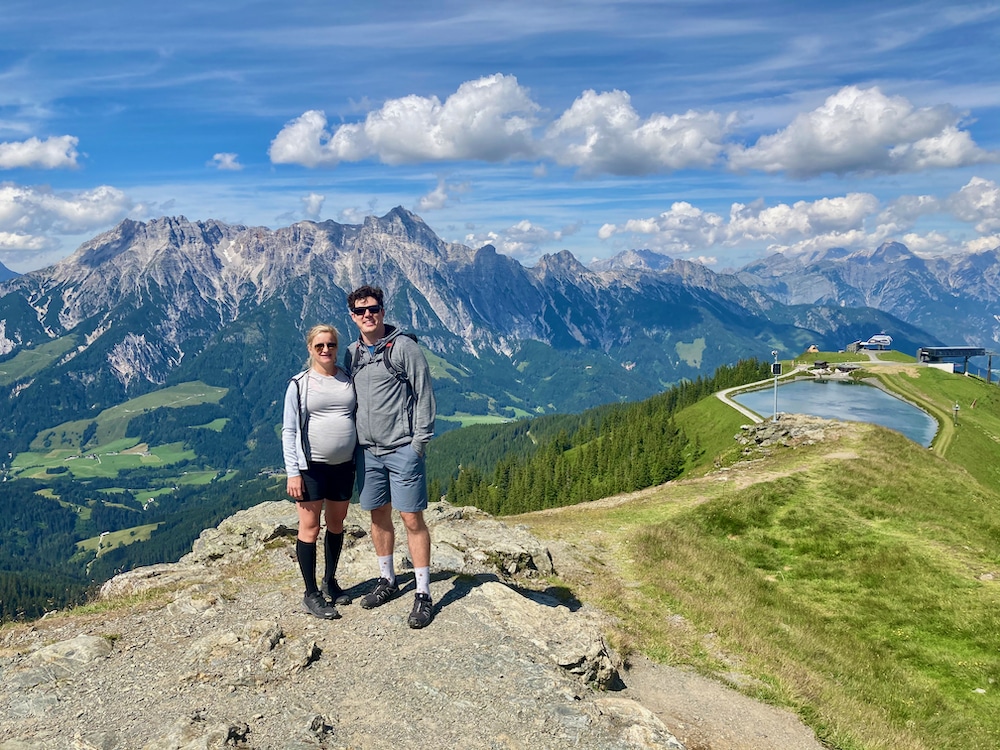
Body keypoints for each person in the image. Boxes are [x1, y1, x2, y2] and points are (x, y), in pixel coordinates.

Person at [345, 285, 437, 629]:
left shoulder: (404, 348)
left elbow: (425, 395)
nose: (367, 315)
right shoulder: (352, 353)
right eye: (360, 311)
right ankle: (387, 580)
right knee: (378, 517)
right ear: (352, 316)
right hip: (367, 453)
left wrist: (418, 446)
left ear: (383, 310)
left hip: (402, 450)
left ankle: (423, 593)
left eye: (373, 308)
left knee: (412, 520)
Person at [282, 324, 357, 620]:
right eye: (320, 346)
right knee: (309, 528)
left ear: (337, 348)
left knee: (336, 524)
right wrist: (293, 472)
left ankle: (330, 581)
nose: (326, 350)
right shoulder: (299, 384)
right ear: (310, 349)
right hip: (311, 467)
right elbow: (289, 431)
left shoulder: (347, 379)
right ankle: (311, 593)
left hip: (343, 466)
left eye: (331, 345)